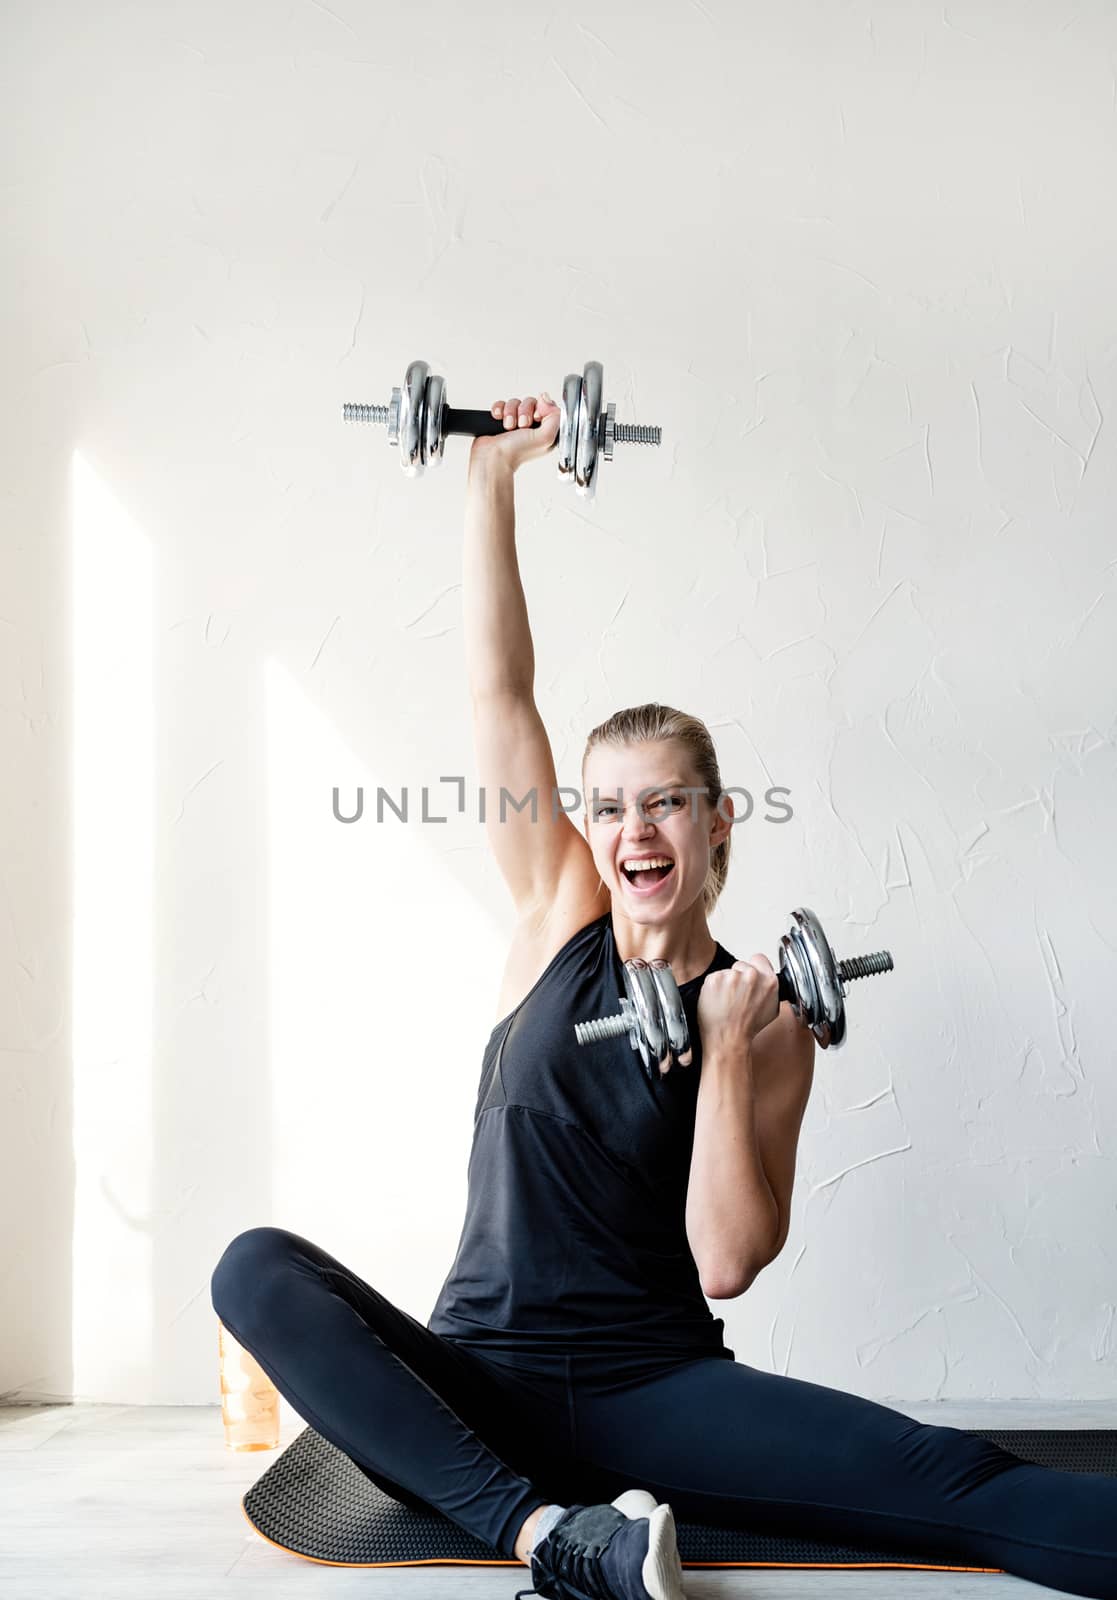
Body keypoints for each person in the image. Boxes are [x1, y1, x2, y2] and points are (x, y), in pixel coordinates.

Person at [211, 390, 1117, 1600]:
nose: (634, 828)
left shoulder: (770, 1020)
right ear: (583, 831)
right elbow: (497, 695)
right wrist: (490, 478)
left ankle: (548, 1521)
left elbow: (728, 1261)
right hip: (478, 1380)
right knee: (253, 1267)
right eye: (609, 806)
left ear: (713, 819)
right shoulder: (553, 920)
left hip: (660, 1392)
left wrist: (728, 1052)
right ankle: (551, 1538)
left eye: (665, 801)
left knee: (961, 1483)